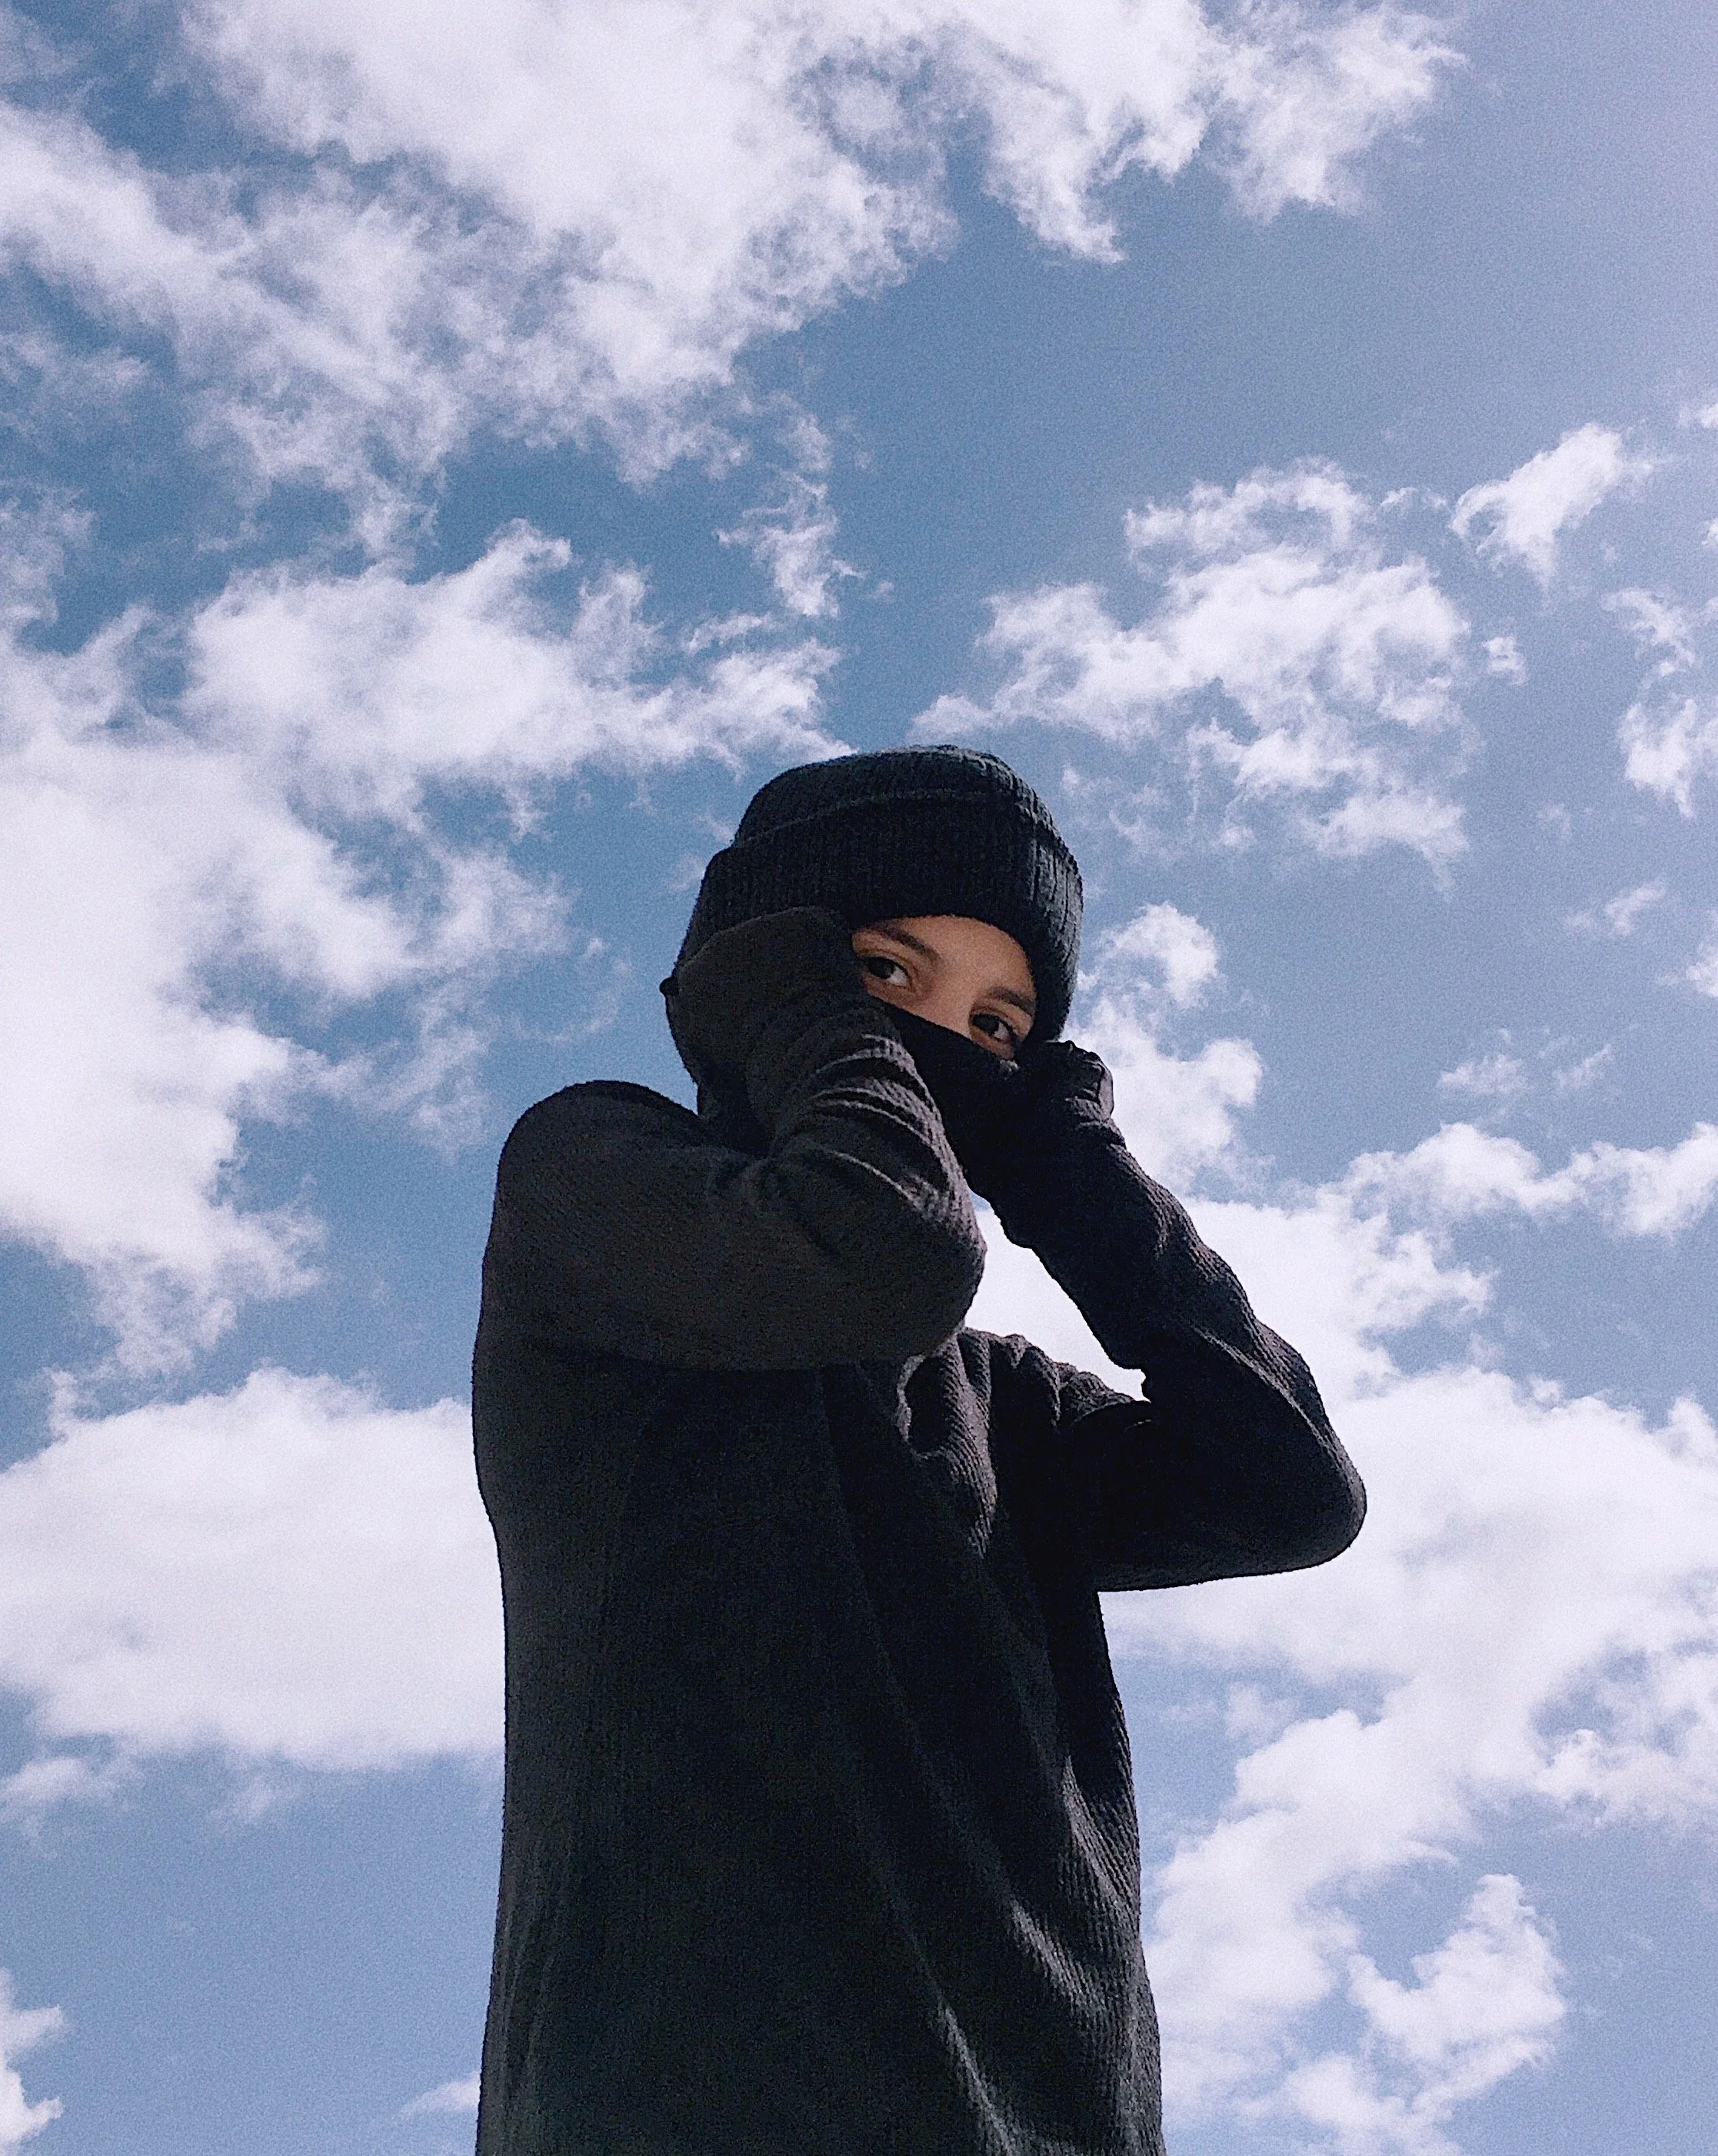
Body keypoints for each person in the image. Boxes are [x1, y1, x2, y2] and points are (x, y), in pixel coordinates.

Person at [471, 746, 1364, 2156]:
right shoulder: (592, 1180)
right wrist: (810, 1021)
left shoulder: (1004, 1407)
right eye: (885, 978)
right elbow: (877, 1253)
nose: (942, 1057)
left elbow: (1288, 1491)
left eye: (999, 1028)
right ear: (765, 985)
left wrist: (1074, 1173)